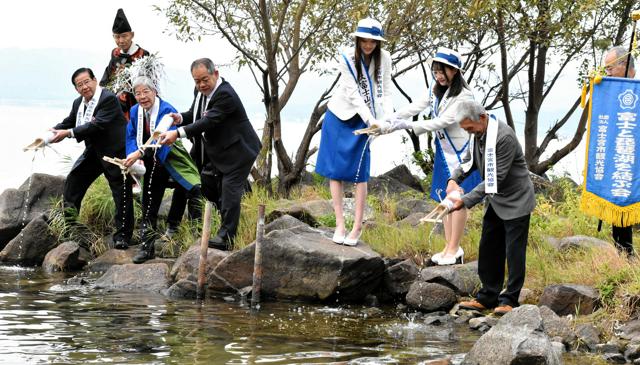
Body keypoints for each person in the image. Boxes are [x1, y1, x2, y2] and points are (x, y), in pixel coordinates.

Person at [386, 48, 481, 264]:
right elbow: (417, 106)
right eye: (436, 71)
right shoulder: (437, 89)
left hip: (461, 154)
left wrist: (408, 125)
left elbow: (443, 121)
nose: (438, 76)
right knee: (444, 199)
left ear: (455, 71)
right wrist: (391, 120)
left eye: (443, 71)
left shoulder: (464, 95)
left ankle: (455, 248)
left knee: (458, 199)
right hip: (444, 152)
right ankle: (448, 246)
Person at [158, 58, 262, 250]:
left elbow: (208, 121)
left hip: (239, 150)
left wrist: (178, 133)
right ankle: (220, 225)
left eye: (205, 79)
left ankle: (226, 238)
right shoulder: (200, 91)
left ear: (216, 73)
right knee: (212, 189)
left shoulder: (226, 95)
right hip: (219, 152)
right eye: (197, 81)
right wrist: (179, 118)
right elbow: (196, 114)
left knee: (229, 190)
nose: (201, 85)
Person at [447, 100, 535, 315]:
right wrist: (453, 179)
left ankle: (510, 300)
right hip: (495, 200)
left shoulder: (504, 137)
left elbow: (496, 177)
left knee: (514, 252)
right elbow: (469, 161)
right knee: (488, 248)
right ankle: (487, 296)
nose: (469, 132)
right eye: (465, 129)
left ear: (483, 117)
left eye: (470, 128)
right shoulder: (478, 134)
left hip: (516, 199)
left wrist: (465, 200)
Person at [315, 18, 394, 246]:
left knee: (360, 172)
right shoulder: (347, 58)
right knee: (335, 171)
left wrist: (386, 119)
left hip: (366, 118)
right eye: (364, 41)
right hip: (340, 115)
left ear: (378, 42)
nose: (368, 45)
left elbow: (385, 91)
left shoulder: (385, 58)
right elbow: (353, 95)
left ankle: (357, 226)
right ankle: (340, 223)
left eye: (373, 41)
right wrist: (372, 119)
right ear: (358, 39)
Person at [49, 67, 134, 249]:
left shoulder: (108, 98)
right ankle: (70, 227)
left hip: (115, 152)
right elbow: (70, 122)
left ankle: (123, 236)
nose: (84, 87)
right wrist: (50, 134)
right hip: (94, 151)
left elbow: (96, 125)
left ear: (95, 80)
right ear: (76, 89)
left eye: (86, 82)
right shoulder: (78, 103)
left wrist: (67, 133)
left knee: (121, 193)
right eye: (79, 85)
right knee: (74, 180)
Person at [123, 77, 202, 263]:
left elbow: (160, 137)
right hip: (150, 159)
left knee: (194, 188)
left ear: (155, 92)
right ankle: (146, 247)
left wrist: (139, 153)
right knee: (149, 201)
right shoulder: (135, 111)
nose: (142, 97)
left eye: (146, 92)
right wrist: (133, 156)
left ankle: (195, 236)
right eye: (138, 93)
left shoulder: (167, 109)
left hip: (170, 155)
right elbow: (131, 136)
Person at [601, 46, 635, 256]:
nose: (608, 73)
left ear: (624, 66)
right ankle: (624, 257)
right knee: (619, 208)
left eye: (610, 68)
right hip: (620, 164)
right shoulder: (611, 95)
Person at [100, 8, 150, 117]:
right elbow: (108, 74)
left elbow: (148, 82)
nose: (121, 41)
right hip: (116, 102)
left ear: (132, 35)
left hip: (137, 101)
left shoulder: (142, 54)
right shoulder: (115, 53)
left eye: (124, 36)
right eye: (117, 37)